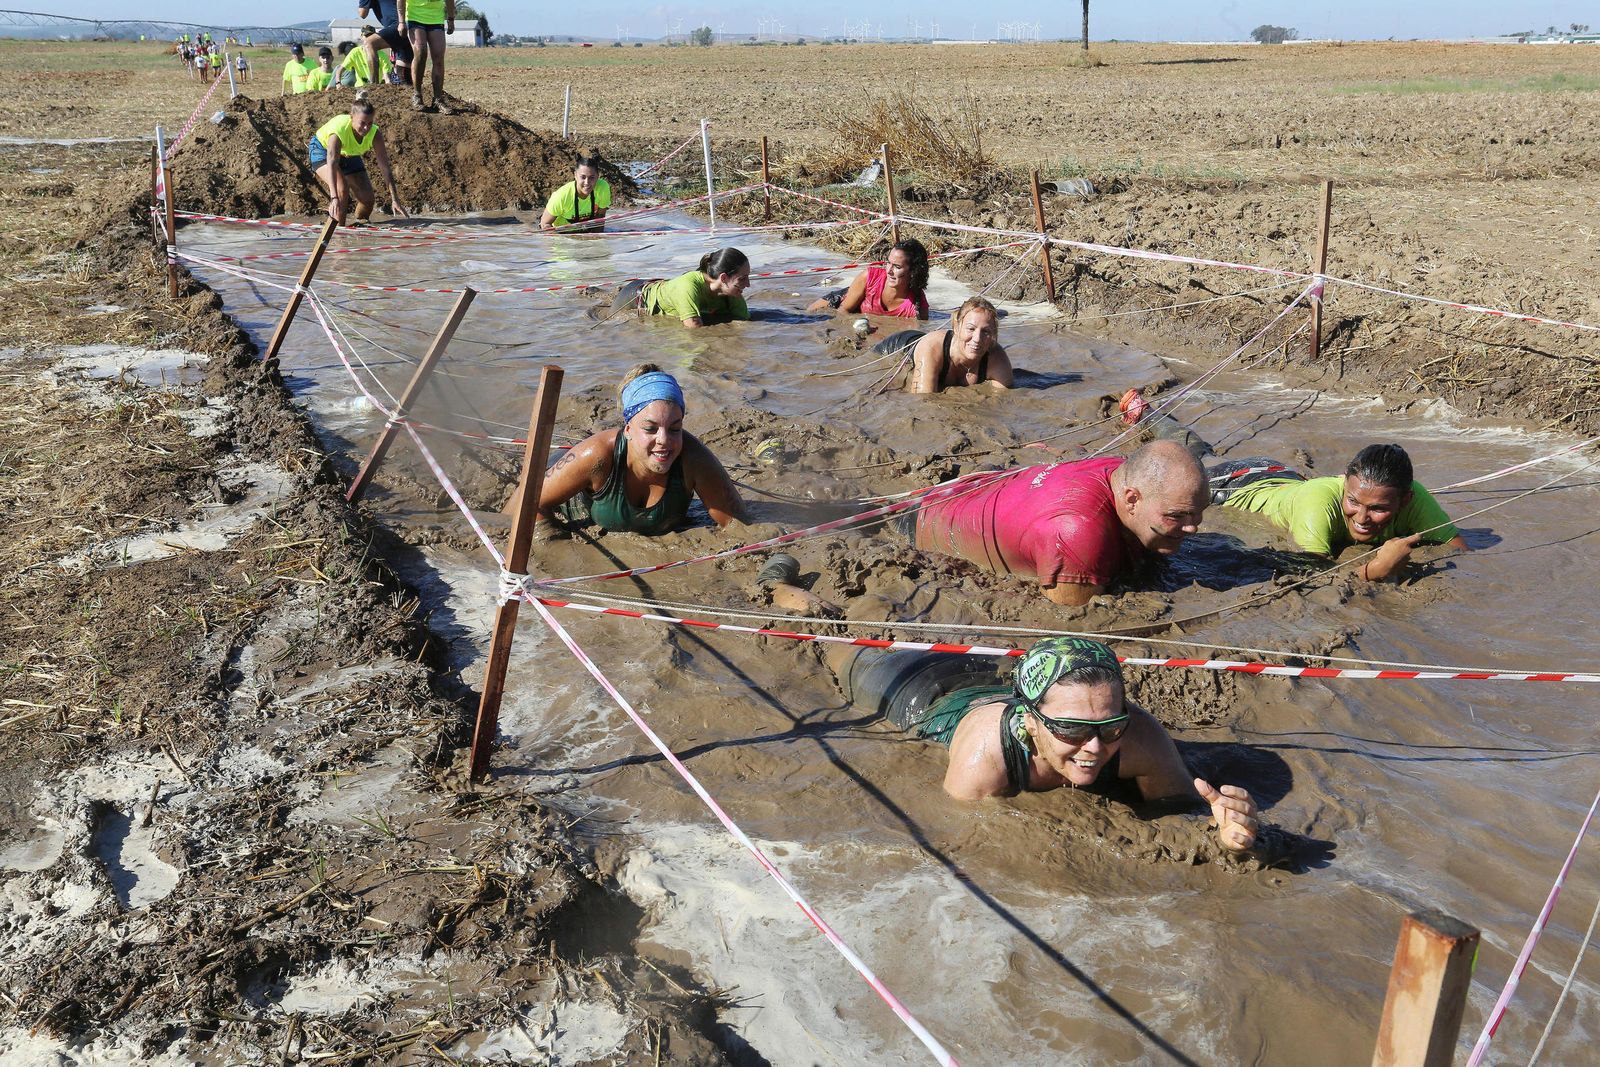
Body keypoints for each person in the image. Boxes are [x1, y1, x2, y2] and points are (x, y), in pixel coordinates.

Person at [820, 635, 1258, 851]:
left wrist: (1225, 834)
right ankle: (780, 585)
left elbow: (1177, 811)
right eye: (1071, 729)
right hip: (916, 689)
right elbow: (961, 847)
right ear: (1031, 723)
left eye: (1109, 726)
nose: (1093, 747)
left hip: (998, 677)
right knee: (836, 648)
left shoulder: (1138, 735)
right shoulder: (984, 760)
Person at [1120, 391, 1469, 581]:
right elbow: (1314, 575)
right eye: (1353, 501)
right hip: (1238, 484)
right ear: (1344, 485)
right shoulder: (1319, 505)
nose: (1362, 517)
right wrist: (1375, 570)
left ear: (1406, 499)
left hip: (1285, 479)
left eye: (1378, 508)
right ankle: (1146, 414)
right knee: (1195, 456)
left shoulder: (1416, 497)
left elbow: (1458, 550)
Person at [908, 441, 1210, 607]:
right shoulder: (1079, 534)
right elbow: (1071, 621)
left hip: (965, 495)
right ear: (1131, 499)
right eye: (1177, 516)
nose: (1193, 528)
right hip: (921, 525)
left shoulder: (1120, 471)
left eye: (1198, 513)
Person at [537, 365, 746, 536]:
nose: (664, 440)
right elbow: (521, 508)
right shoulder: (596, 455)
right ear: (627, 429)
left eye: (675, 428)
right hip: (558, 473)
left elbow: (745, 530)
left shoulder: (694, 459)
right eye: (650, 429)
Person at [876, 295, 1014, 393]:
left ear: (994, 335)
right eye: (971, 329)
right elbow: (922, 402)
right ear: (957, 328)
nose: (977, 338)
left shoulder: (997, 359)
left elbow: (1003, 403)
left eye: (986, 332)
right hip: (896, 347)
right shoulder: (931, 348)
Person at [308, 98, 407, 226]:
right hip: (322, 150)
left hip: (349, 153)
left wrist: (395, 199)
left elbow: (385, 168)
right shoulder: (338, 131)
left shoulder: (375, 134)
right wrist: (334, 198)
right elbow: (332, 163)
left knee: (367, 199)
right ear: (352, 117)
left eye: (370, 123)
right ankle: (338, 233)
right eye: (362, 123)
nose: (366, 128)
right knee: (342, 188)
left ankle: (360, 224)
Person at [617, 248, 752, 329]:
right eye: (742, 278)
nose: (748, 284)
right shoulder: (688, 286)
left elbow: (744, 324)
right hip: (634, 296)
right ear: (723, 278)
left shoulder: (733, 292)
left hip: (667, 288)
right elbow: (695, 330)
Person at [809, 239, 931, 320]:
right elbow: (843, 311)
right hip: (842, 299)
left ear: (913, 271)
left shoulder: (917, 308)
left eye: (897, 267)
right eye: (888, 263)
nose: (889, 271)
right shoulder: (868, 276)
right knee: (808, 314)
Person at [399, 0, 457, 113]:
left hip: (436, 18)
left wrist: (450, 19)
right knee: (421, 52)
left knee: (439, 57)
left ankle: (438, 100)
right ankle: (417, 95)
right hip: (414, 17)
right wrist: (401, 22)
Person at [541, 153, 612, 232]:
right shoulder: (562, 196)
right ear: (575, 175)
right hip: (561, 234)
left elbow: (600, 218)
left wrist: (596, 241)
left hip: (586, 232)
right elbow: (544, 224)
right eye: (583, 177)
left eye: (592, 177)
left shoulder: (603, 187)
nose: (587, 182)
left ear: (598, 176)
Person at [357, 0, 416, 86]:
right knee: (403, 76)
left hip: (398, 26)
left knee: (369, 42)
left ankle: (373, 85)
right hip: (410, 26)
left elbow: (362, 13)